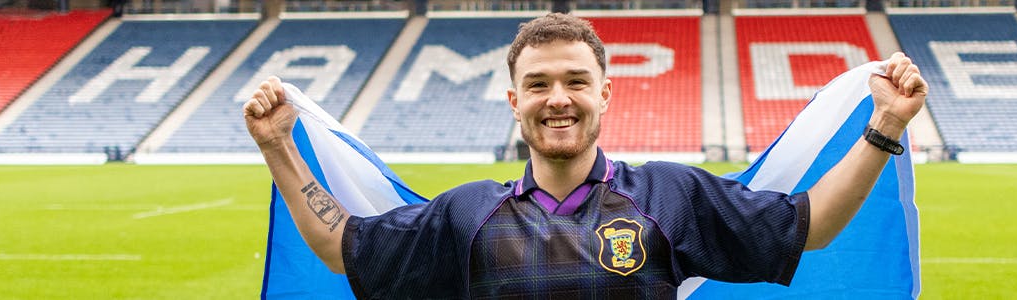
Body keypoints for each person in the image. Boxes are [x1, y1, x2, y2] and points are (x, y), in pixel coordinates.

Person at [242, 13, 926, 298]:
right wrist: (278, 147)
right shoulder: (465, 213)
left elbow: (810, 225)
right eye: (538, 84)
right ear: (515, 101)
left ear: (606, 93)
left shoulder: (669, 196)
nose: (557, 99)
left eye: (575, 82)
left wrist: (884, 128)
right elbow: (346, 247)